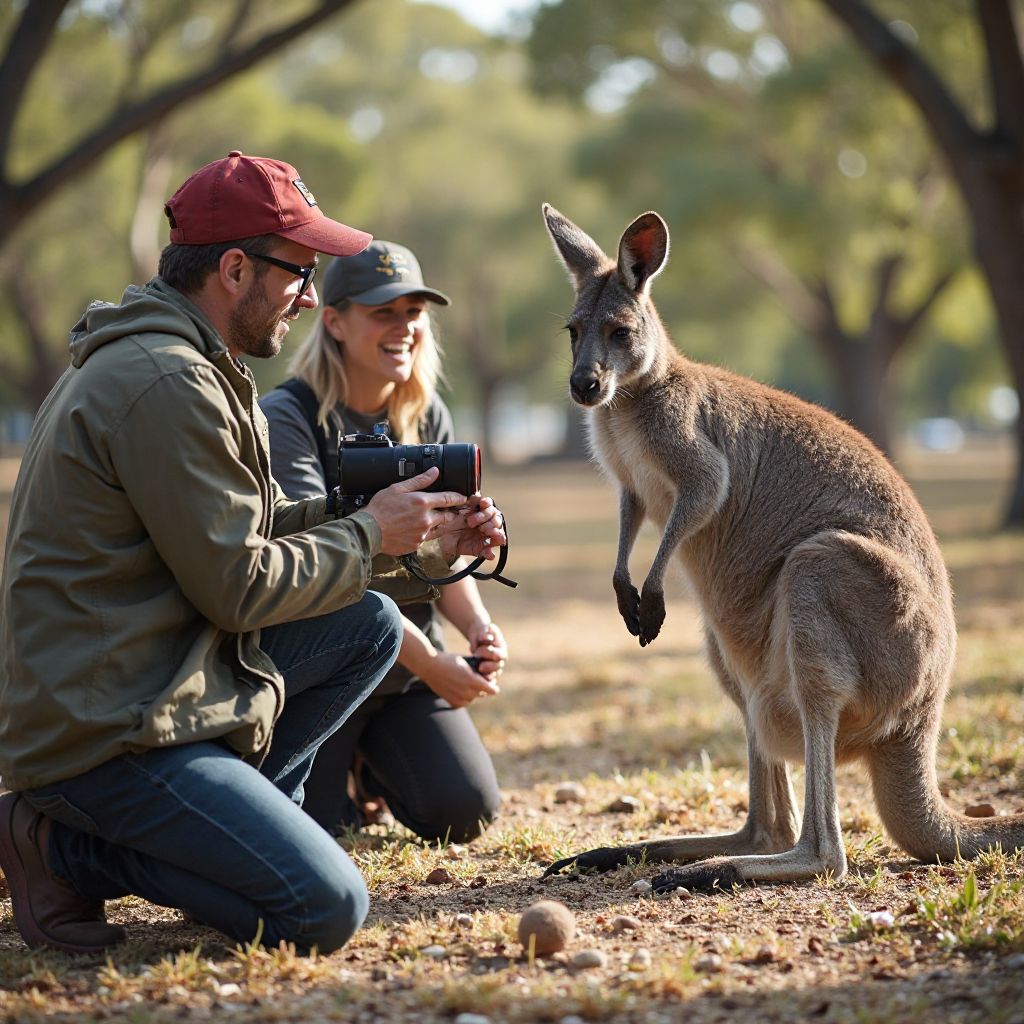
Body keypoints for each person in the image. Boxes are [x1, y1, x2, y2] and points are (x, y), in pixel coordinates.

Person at [0, 151, 506, 957]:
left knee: (369, 625)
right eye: (300, 274)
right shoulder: (167, 382)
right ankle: (57, 847)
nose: (308, 297)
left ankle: (246, 834)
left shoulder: (195, 365)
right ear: (235, 270)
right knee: (323, 908)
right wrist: (370, 531)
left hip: (161, 681)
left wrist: (420, 541)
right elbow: (239, 587)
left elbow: (260, 527)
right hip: (110, 733)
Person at [260, 241, 507, 844]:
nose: (404, 328)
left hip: (403, 676)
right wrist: (432, 665)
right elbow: (317, 561)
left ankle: (371, 769)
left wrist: (476, 627)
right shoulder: (288, 418)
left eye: (413, 312)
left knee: (466, 811)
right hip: (320, 672)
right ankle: (343, 772)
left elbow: (441, 556)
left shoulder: (428, 417)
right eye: (383, 312)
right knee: (315, 829)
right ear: (335, 322)